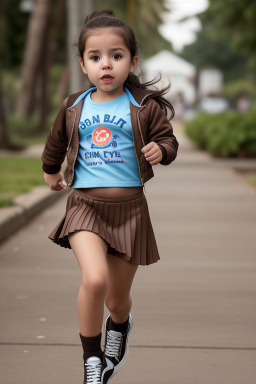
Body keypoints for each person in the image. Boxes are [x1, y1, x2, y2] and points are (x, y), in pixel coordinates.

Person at [41, 10, 178, 384]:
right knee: (95, 280)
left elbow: (169, 141)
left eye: (116, 56)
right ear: (84, 64)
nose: (106, 64)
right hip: (85, 207)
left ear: (132, 62)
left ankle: (119, 325)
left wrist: (160, 151)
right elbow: (55, 144)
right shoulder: (74, 106)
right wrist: (51, 172)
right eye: (96, 57)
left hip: (130, 211)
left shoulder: (143, 106)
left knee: (116, 300)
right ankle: (93, 360)